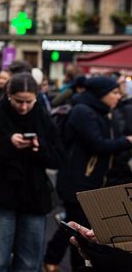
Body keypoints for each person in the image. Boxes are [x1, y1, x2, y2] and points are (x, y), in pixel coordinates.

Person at [0, 73, 63, 272]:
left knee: (30, 262)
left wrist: (39, 148)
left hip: (34, 196)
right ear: (8, 95)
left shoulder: (43, 118)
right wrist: (8, 143)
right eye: (18, 101)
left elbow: (58, 158)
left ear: (36, 96)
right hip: (1, 195)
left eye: (28, 102)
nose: (23, 107)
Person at [44, 76, 132, 271]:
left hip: (92, 180)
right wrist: (126, 141)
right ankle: (52, 259)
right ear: (102, 94)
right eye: (114, 92)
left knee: (80, 226)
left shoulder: (103, 112)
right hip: (77, 180)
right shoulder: (83, 111)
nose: (119, 96)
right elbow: (97, 143)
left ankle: (60, 260)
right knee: (77, 226)